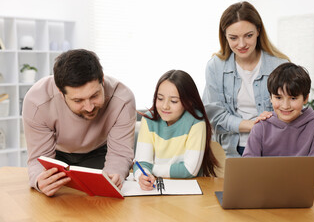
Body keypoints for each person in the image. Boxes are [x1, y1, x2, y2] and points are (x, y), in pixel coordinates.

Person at [202, 1, 314, 157]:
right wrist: (253, 125)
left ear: (258, 31)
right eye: (233, 38)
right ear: (225, 36)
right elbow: (214, 116)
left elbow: (288, 108)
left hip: (273, 149)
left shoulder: (280, 65)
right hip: (229, 151)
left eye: (248, 35)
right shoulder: (215, 67)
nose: (241, 44)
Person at [23, 49, 136, 196]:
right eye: (78, 100)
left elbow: (120, 154)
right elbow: (38, 158)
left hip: (100, 154)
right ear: (61, 93)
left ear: (102, 79)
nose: (89, 107)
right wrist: (40, 180)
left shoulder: (123, 99)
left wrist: (115, 175)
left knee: (104, 196)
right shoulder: (36, 102)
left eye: (94, 95)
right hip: (56, 158)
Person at [243, 63, 314, 183]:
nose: (285, 106)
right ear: (270, 98)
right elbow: (248, 169)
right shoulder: (261, 126)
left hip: (302, 194)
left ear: (305, 98)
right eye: (278, 97)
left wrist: (267, 172)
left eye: (293, 98)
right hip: (265, 193)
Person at [133, 70, 218, 190]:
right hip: (156, 190)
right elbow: (141, 164)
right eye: (160, 98)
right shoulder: (148, 119)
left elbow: (189, 170)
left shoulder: (196, 121)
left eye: (173, 101)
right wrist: (142, 175)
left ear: (188, 101)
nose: (165, 106)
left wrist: (151, 168)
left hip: (190, 191)